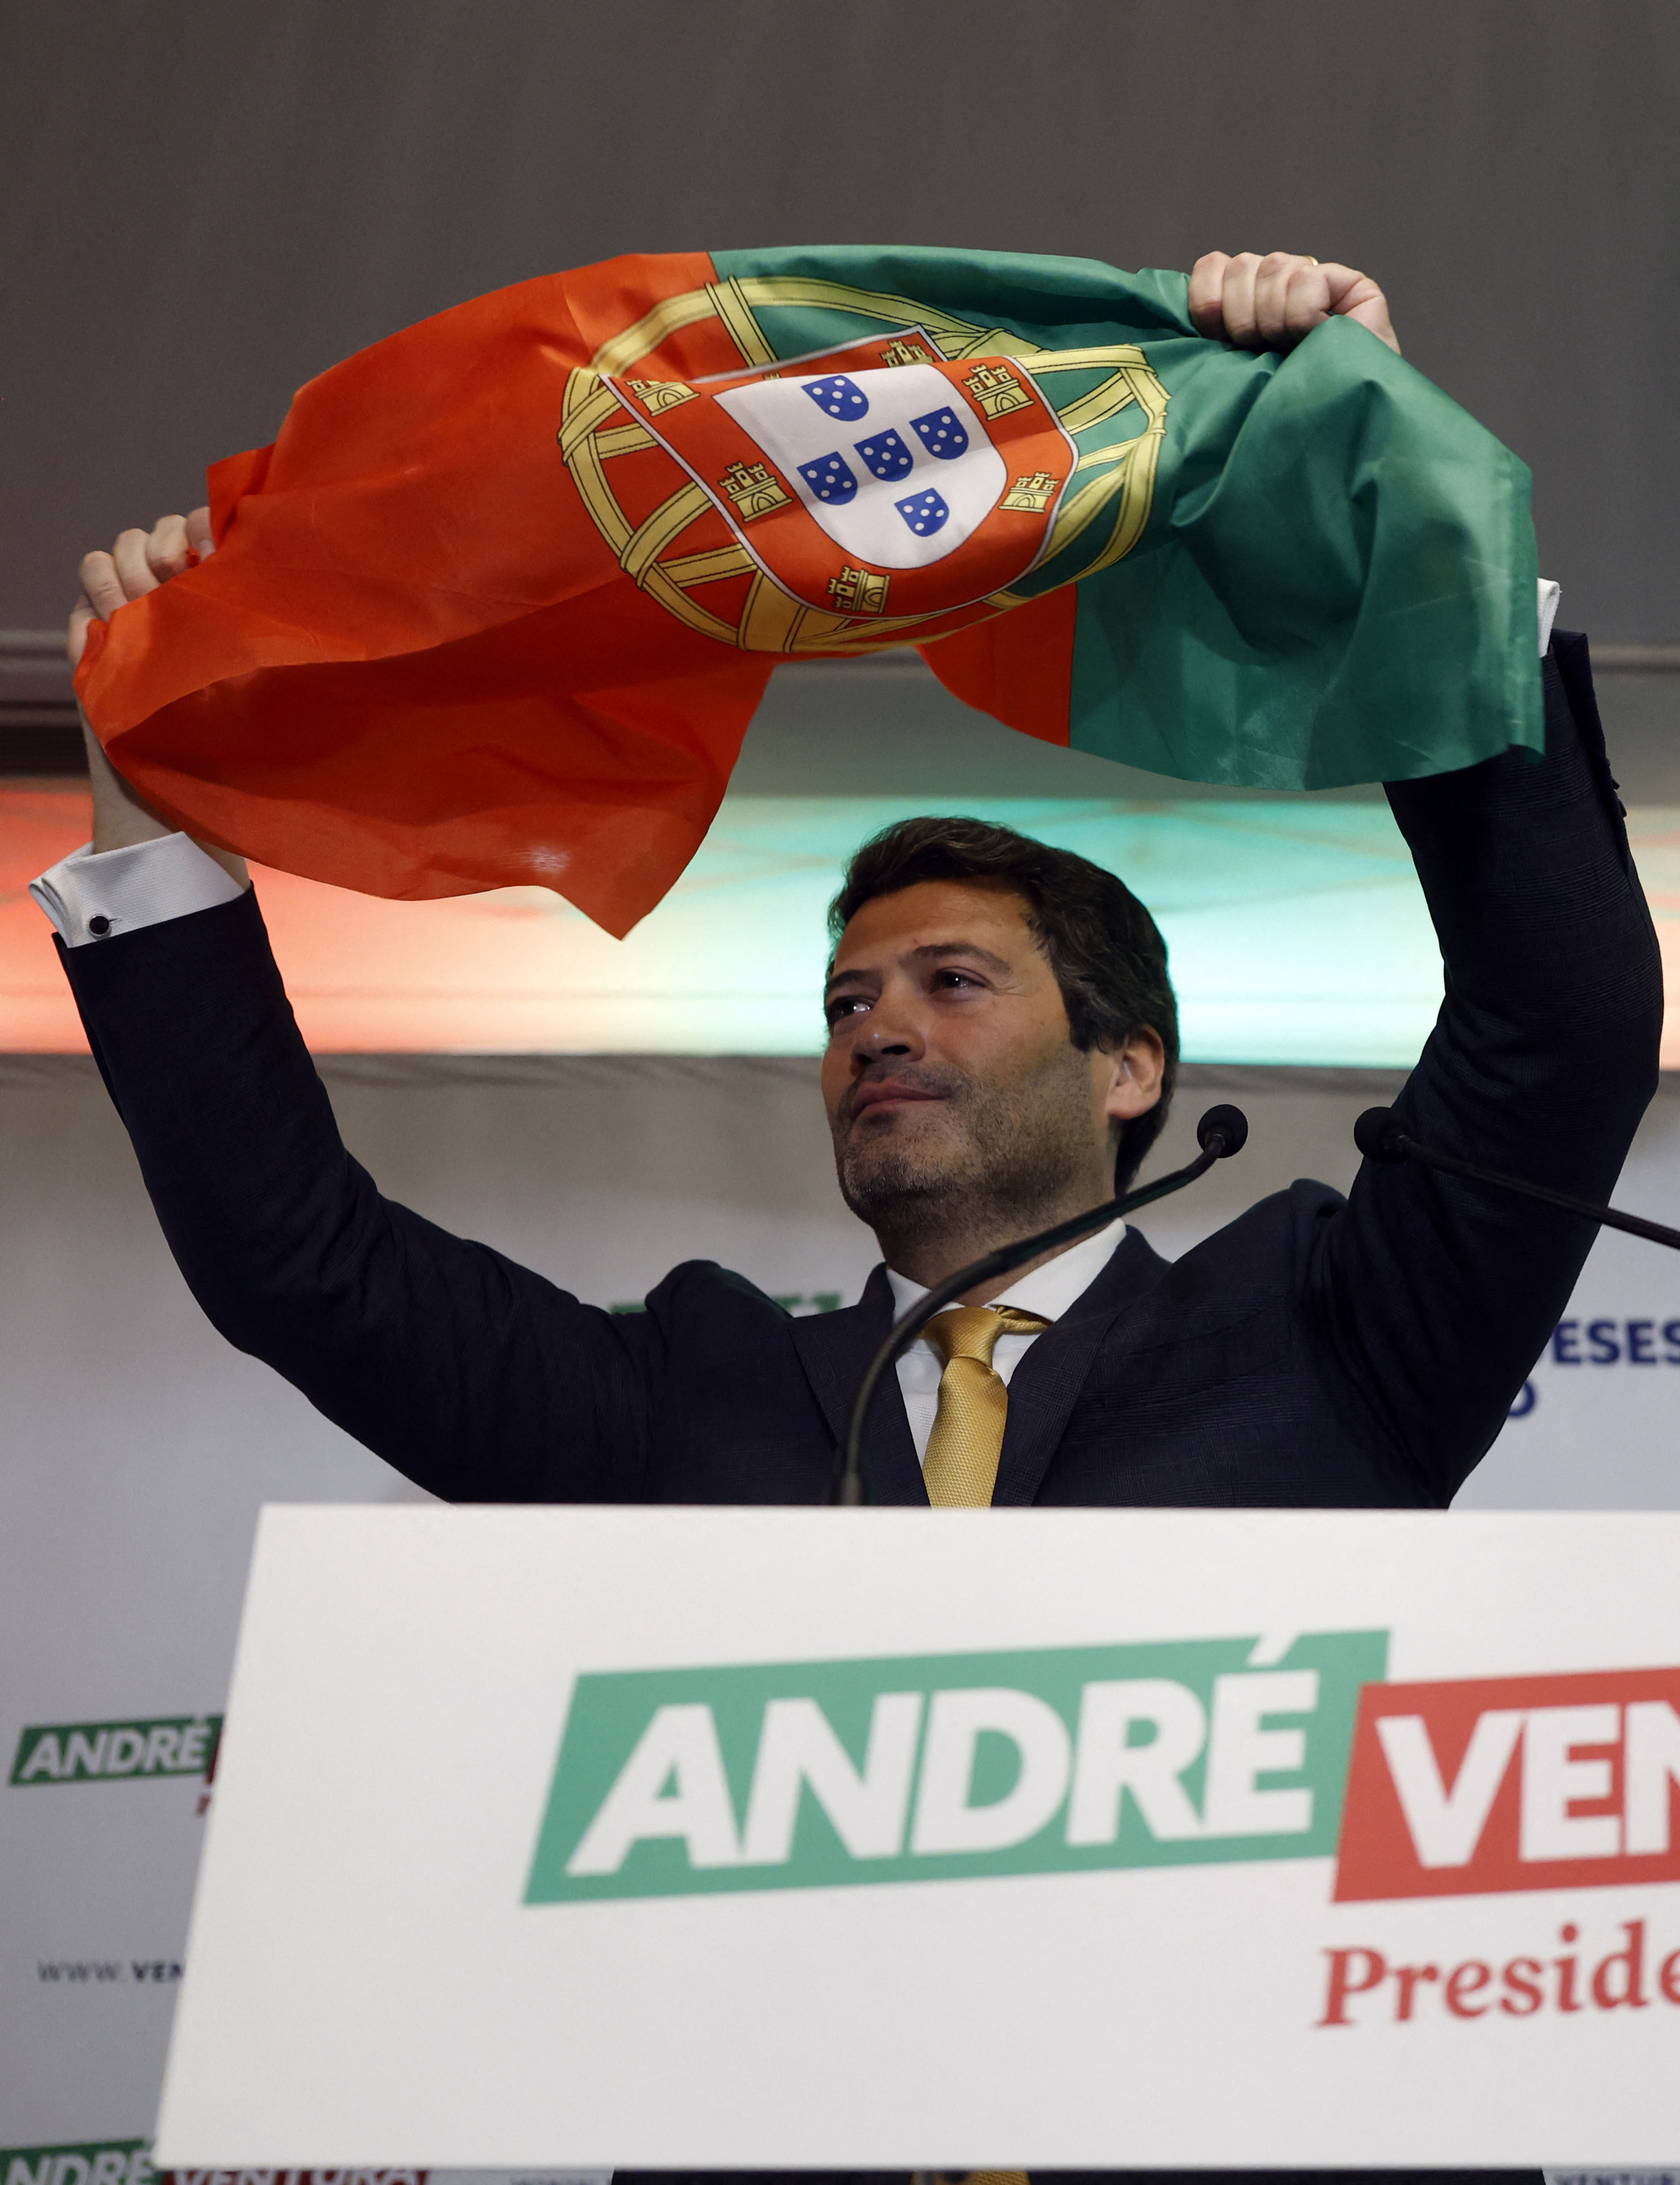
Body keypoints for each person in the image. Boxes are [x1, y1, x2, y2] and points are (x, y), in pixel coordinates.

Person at [32, 252, 1661, 2185]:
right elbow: (306, 1267)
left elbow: (1558, 1026)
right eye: (843, 1004)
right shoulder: (690, 1393)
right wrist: (154, 828)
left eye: (951, 985)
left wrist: (1397, 531)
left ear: (1129, 1066)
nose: (874, 1028)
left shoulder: (1332, 1331)